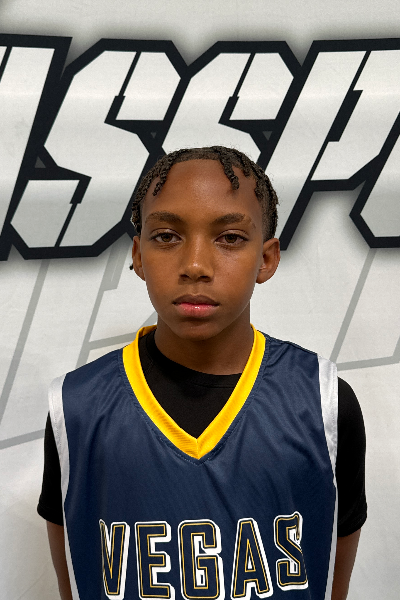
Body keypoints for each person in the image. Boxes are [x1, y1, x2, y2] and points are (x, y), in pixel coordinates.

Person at [38, 146, 366, 600]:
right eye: (166, 236)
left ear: (266, 259)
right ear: (138, 255)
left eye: (229, 237)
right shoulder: (76, 408)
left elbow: (331, 578)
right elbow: (76, 578)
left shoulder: (324, 402)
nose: (195, 265)